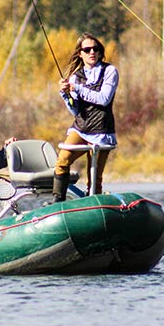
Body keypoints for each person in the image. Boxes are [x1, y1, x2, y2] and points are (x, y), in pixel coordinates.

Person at [53, 32, 119, 202]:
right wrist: (65, 94)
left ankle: (94, 207)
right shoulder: (76, 76)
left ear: (100, 52)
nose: (92, 52)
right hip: (81, 129)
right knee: (62, 161)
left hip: (102, 130)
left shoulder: (110, 71)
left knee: (95, 179)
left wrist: (78, 88)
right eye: (87, 49)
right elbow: (76, 110)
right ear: (80, 54)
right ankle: (57, 202)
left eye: (95, 49)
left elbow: (104, 99)